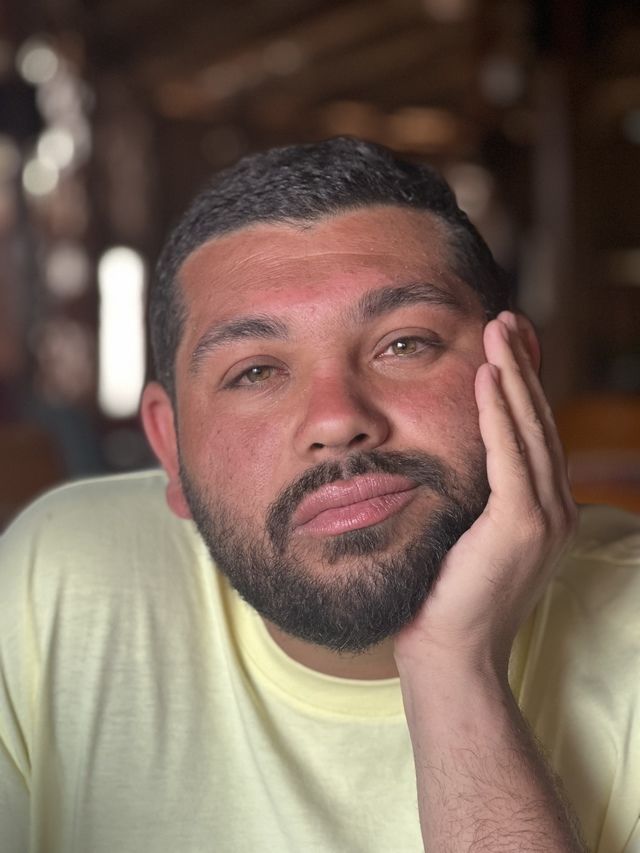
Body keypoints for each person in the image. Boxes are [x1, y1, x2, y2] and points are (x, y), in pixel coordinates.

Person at [1, 137, 639, 853]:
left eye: (404, 344)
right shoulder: (56, 587)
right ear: (170, 446)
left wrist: (454, 665)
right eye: (255, 372)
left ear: (517, 369)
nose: (336, 420)